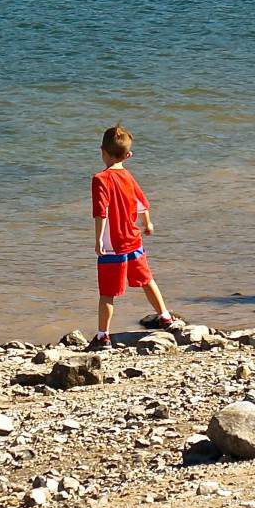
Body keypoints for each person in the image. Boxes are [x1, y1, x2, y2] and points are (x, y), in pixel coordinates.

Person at [89, 125, 182, 350]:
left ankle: (103, 336)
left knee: (107, 293)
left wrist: (98, 239)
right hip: (133, 239)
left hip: (114, 245)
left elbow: (101, 212)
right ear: (128, 155)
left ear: (102, 151)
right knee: (147, 279)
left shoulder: (100, 179)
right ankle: (165, 316)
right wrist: (147, 223)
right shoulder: (128, 176)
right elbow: (141, 202)